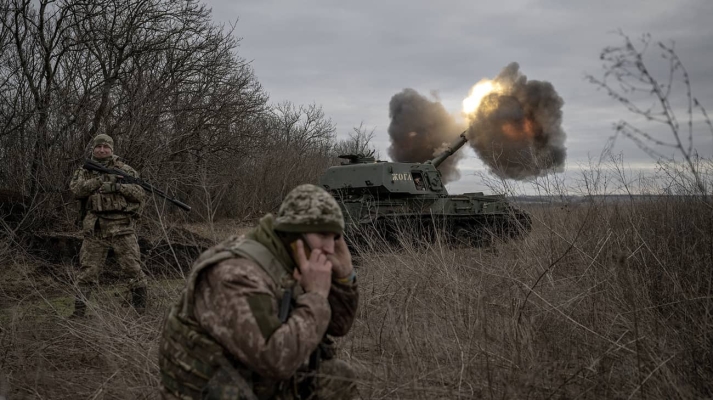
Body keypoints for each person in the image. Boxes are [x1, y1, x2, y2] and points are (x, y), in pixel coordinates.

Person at [158, 184, 359, 400]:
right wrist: (317, 296)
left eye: (335, 237)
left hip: (254, 382)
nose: (330, 248)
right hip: (216, 391)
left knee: (337, 377)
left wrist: (344, 276)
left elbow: (338, 326)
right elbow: (275, 361)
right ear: (293, 233)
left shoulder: (294, 261)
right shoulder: (236, 274)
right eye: (322, 235)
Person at [69, 134, 147, 316]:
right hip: (95, 229)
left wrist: (118, 187)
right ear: (93, 149)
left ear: (112, 149)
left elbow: (140, 194)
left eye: (106, 147)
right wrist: (99, 181)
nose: (102, 150)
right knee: (87, 272)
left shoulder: (125, 170)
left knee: (133, 269)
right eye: (99, 147)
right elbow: (76, 190)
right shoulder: (84, 170)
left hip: (122, 227)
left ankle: (140, 311)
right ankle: (78, 314)